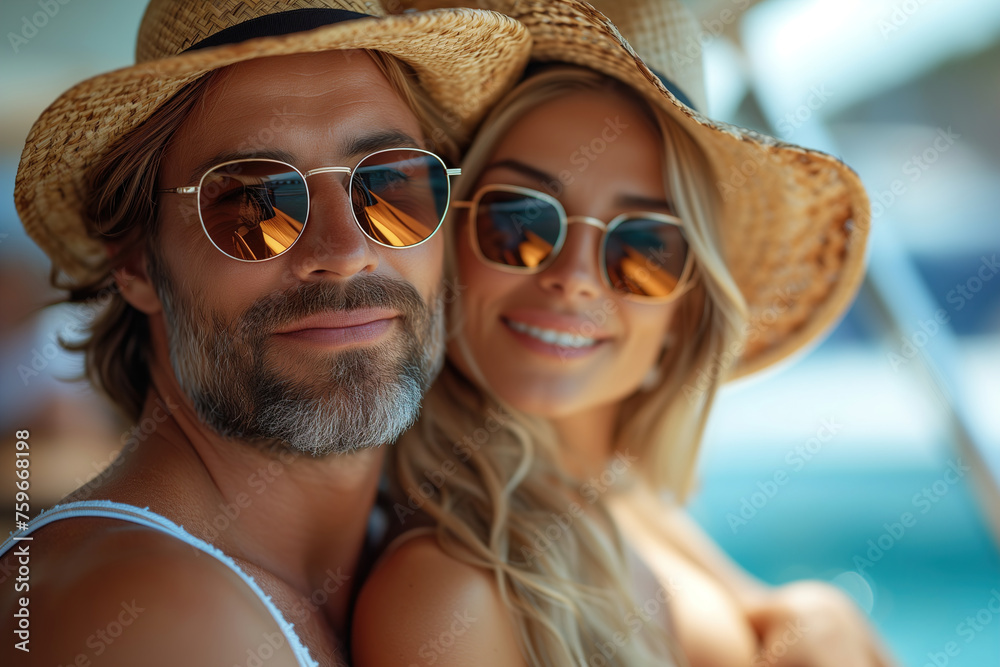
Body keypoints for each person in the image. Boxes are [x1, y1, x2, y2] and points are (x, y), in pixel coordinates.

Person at [354, 1, 897, 666]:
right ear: (447, 243)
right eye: (521, 221)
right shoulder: (449, 591)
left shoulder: (613, 494)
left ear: (685, 312)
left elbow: (779, 614)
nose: (576, 278)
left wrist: (819, 611)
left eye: (643, 249)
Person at [0, 0, 530, 664]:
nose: (343, 250)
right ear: (136, 260)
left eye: (390, 185)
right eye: (256, 201)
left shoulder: (413, 549)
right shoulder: (147, 618)